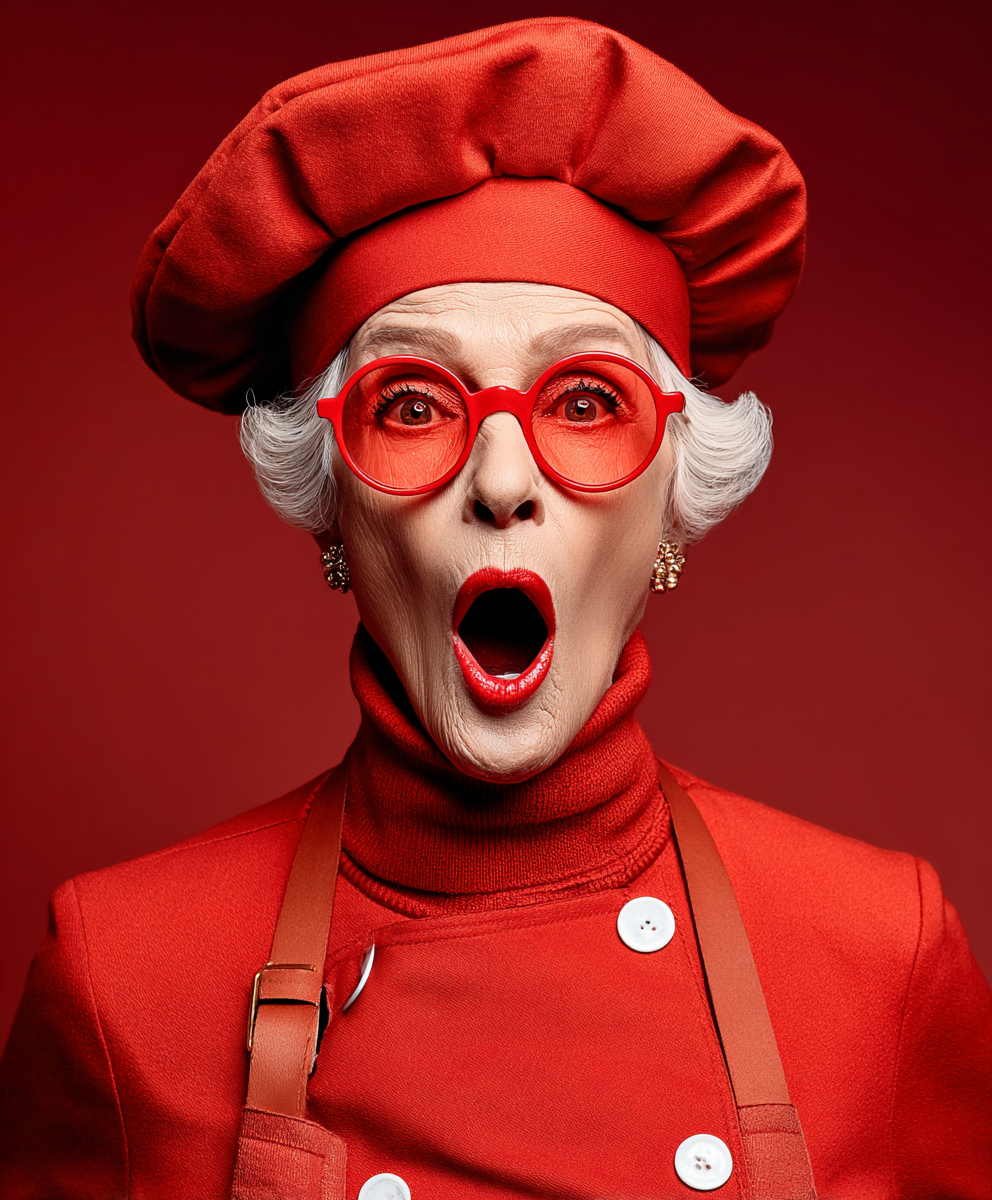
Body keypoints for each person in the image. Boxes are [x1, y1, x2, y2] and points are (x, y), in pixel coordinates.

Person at [1, 18, 988, 1200]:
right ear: (331, 515)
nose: (504, 482)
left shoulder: (878, 950)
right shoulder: (125, 977)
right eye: (411, 407)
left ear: (673, 499)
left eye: (584, 400)